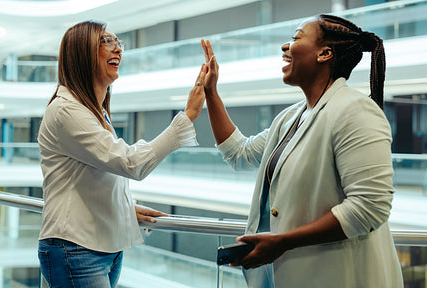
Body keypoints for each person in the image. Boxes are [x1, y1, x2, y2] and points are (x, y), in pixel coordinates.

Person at [201, 14, 403, 288]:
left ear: (325, 53)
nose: (285, 47)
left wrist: (283, 241)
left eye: (296, 38)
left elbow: (370, 207)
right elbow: (240, 153)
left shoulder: (355, 110)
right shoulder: (290, 118)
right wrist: (211, 93)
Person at [37, 20, 206, 288]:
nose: (118, 49)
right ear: (82, 53)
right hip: (76, 249)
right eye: (107, 41)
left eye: (119, 43)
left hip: (101, 247)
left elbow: (92, 175)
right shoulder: (66, 111)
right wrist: (188, 117)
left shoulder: (92, 110)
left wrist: (124, 209)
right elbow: (130, 163)